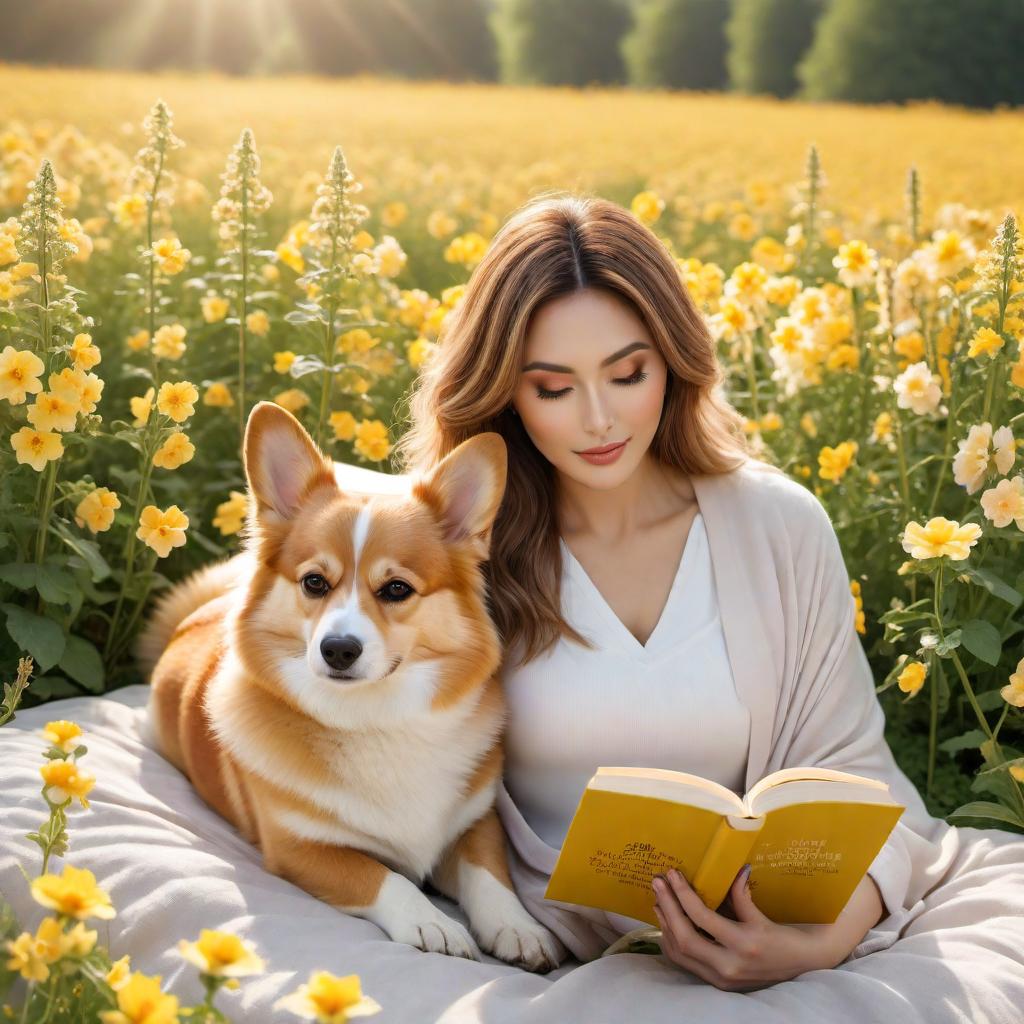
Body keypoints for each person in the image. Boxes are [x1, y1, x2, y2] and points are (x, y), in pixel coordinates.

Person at [392, 192, 1024, 1007]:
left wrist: (812, 944)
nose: (599, 419)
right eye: (553, 389)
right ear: (504, 396)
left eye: (628, 374)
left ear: (673, 359)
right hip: (523, 949)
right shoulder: (456, 555)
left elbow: (857, 779)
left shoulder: (777, 525)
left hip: (771, 941)